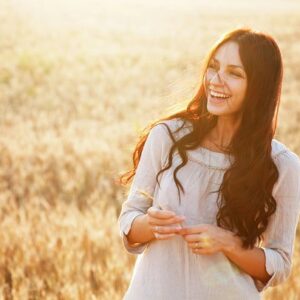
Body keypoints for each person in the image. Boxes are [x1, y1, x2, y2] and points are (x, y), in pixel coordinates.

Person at [117, 27, 300, 300]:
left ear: (259, 86)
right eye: (213, 67)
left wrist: (228, 244)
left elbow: (280, 263)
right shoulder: (167, 137)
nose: (216, 80)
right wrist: (150, 224)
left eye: (234, 73)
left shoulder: (283, 166)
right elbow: (129, 222)